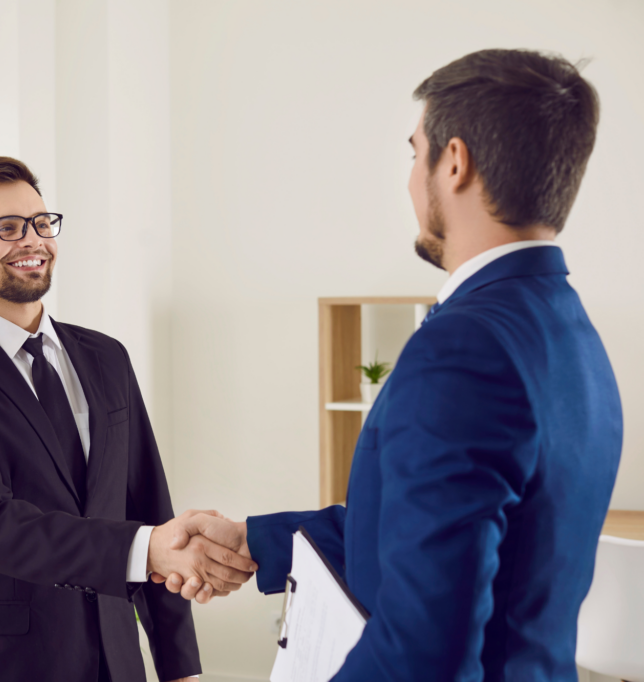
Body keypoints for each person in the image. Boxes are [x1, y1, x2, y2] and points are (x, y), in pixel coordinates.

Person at [156, 49, 623, 681]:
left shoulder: (466, 350)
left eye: (415, 152)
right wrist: (253, 541)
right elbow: (437, 535)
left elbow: (424, 650)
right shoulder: (567, 329)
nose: (410, 179)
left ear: (454, 162)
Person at [0, 157, 256, 682]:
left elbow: (148, 504)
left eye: (41, 223)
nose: (32, 240)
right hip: (5, 664)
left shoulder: (106, 356)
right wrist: (149, 547)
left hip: (116, 655)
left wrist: (180, 667)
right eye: (7, 228)